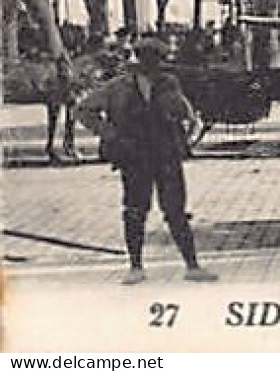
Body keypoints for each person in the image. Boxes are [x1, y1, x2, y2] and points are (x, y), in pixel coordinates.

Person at [77, 38, 217, 284]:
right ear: (140, 59)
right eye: (148, 59)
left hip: (166, 155)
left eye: (156, 60)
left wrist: (182, 121)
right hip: (134, 156)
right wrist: (110, 134)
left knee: (176, 211)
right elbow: (84, 109)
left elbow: (186, 112)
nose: (153, 65)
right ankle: (136, 266)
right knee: (135, 210)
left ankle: (192, 266)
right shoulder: (118, 86)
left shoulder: (169, 83)